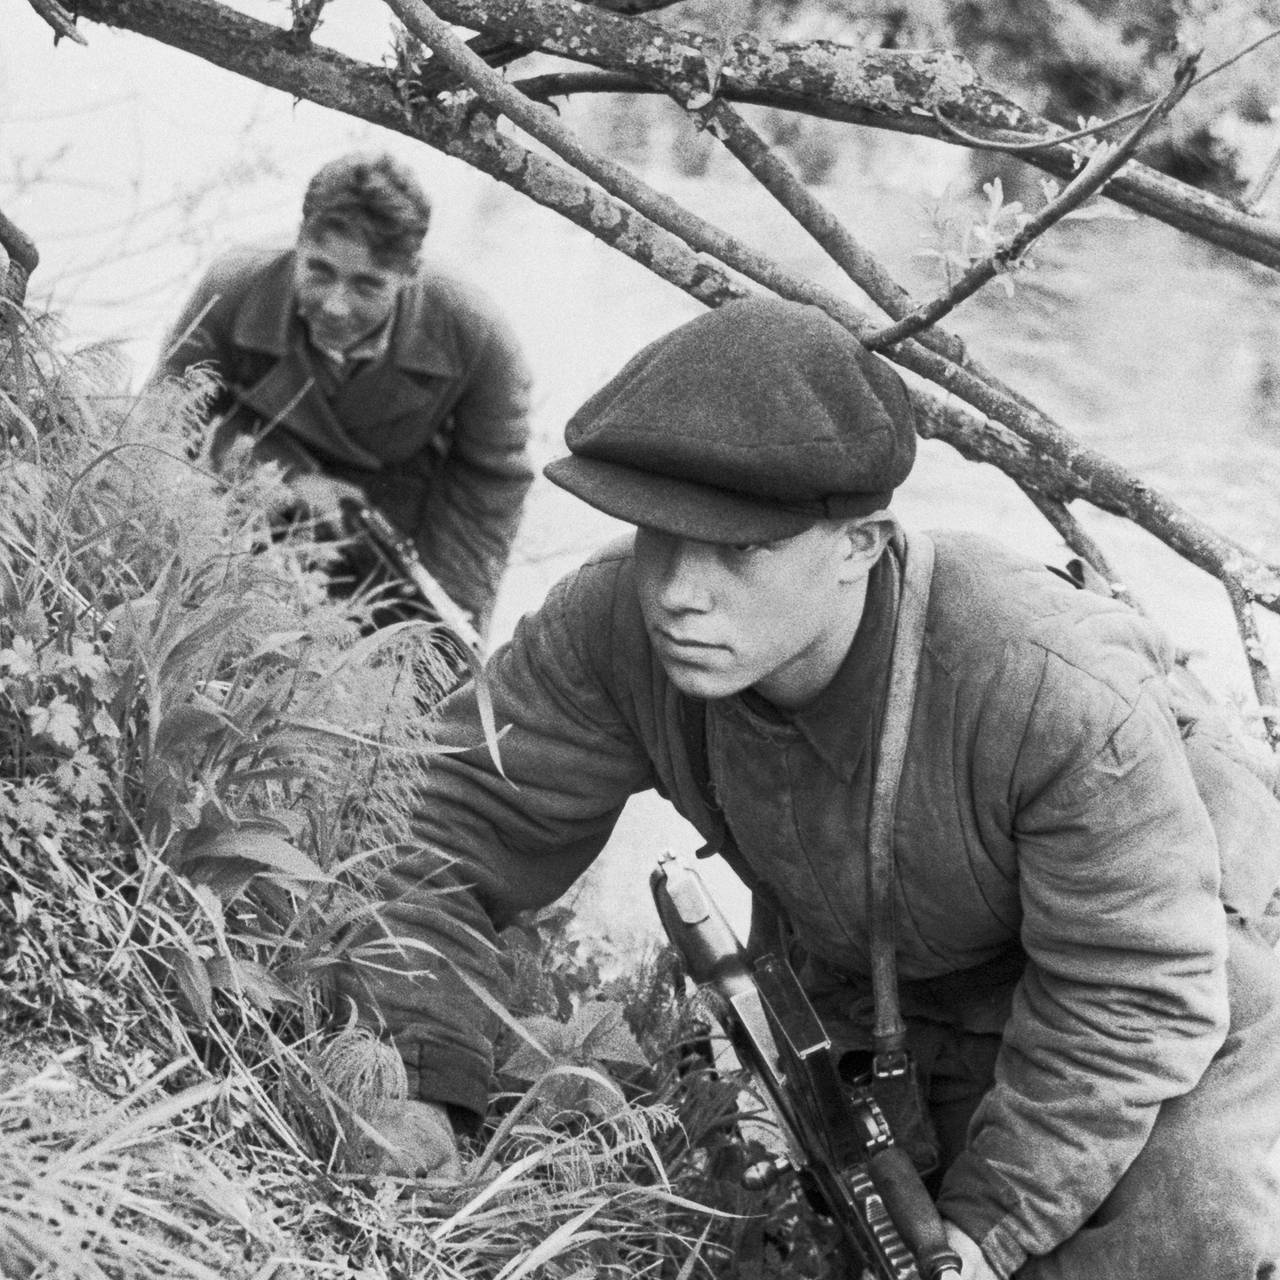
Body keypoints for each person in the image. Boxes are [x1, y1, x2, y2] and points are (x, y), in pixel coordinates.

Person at [336, 297, 1280, 1279]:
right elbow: (442, 836)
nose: (675, 592)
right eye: (657, 533)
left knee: (1171, 1242)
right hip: (887, 980)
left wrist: (980, 1235)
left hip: (1170, 988)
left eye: (737, 547)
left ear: (859, 545)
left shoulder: (1046, 684)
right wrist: (421, 1082)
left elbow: (1130, 998)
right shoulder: (616, 628)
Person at [152, 151, 534, 638]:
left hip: (385, 525)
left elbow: (490, 485)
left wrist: (443, 625)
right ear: (299, 241)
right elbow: (162, 424)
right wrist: (283, 480)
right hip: (242, 506)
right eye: (320, 271)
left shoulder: (477, 335)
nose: (335, 305)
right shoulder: (234, 288)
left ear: (410, 272)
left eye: (367, 286)